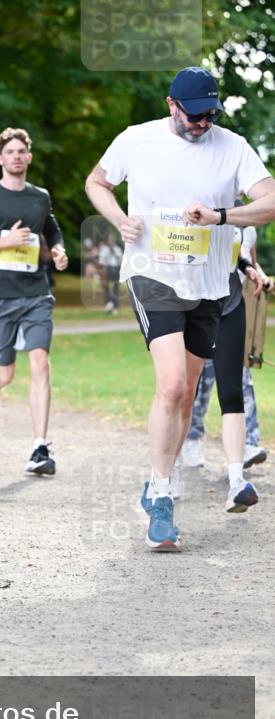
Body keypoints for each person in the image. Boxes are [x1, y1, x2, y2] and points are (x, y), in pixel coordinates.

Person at [85, 66, 275, 550]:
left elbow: (271, 200)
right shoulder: (136, 139)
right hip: (153, 275)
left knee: (188, 395)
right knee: (170, 385)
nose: (203, 124)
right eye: (194, 116)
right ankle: (163, 496)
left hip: (209, 286)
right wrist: (119, 219)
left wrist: (221, 217)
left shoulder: (232, 146)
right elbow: (97, 183)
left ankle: (154, 485)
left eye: (211, 115)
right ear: (172, 105)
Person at [0, 127, 68, 476]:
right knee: (5, 372)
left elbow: (51, 227)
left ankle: (40, 447)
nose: (17, 156)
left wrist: (58, 248)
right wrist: (4, 243)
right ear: (0, 159)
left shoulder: (40, 197)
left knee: (40, 362)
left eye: (22, 151)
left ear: (29, 157)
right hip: (0, 294)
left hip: (36, 293)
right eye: (10, 152)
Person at [181, 227, 272, 476]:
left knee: (240, 378)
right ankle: (190, 439)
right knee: (200, 379)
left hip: (232, 304)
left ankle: (248, 444)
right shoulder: (208, 212)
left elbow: (248, 259)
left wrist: (260, 276)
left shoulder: (249, 223)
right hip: (203, 307)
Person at [97, 232, 123, 313]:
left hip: (116, 269)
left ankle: (115, 306)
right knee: (106, 288)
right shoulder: (104, 249)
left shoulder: (117, 249)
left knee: (116, 288)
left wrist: (114, 253)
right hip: (107, 269)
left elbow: (121, 261)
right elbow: (101, 261)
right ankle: (108, 304)